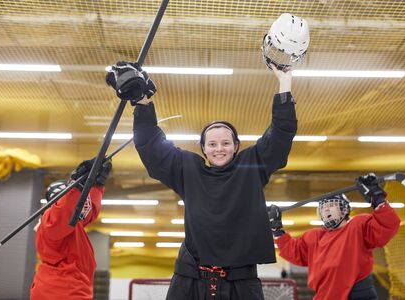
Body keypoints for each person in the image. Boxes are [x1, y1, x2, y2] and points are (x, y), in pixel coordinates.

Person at [105, 60, 297, 299]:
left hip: (240, 283)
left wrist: (285, 81)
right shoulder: (189, 170)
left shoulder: (252, 166)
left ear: (236, 146)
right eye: (212, 144)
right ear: (203, 149)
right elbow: (153, 148)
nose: (219, 149)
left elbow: (280, 134)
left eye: (226, 143)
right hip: (190, 281)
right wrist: (141, 99)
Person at [268, 173, 401, 300]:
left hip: (356, 294)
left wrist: (377, 198)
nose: (326, 209)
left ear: (344, 209)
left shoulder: (358, 226)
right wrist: (277, 229)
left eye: (331, 205)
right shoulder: (314, 237)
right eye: (323, 207)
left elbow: (388, 226)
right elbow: (292, 250)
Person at [30, 159, 112, 300]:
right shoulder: (51, 221)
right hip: (61, 290)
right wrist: (77, 185)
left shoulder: (69, 224)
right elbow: (66, 208)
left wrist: (97, 186)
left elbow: (87, 212)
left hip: (69, 287)